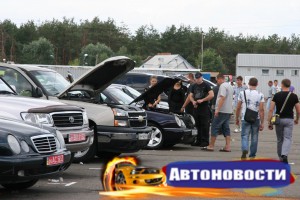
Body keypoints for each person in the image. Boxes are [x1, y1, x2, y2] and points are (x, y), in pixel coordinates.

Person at [268, 79, 300, 163]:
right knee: (287, 138)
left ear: (281, 85)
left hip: (279, 120)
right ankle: (284, 154)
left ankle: (280, 158)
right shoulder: (294, 96)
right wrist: (297, 119)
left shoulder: (276, 95)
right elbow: (298, 110)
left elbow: (271, 109)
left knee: (279, 139)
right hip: (289, 119)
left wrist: (269, 122)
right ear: (289, 85)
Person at [202, 74, 233, 152]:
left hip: (222, 110)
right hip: (228, 110)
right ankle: (228, 146)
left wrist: (217, 109)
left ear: (220, 79)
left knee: (214, 127)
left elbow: (222, 97)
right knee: (226, 128)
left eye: (217, 80)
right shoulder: (230, 86)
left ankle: (211, 145)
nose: (217, 82)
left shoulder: (222, 86)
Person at [236, 78, 265, 160]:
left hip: (245, 117)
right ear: (257, 84)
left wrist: (237, 118)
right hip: (256, 118)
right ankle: (252, 155)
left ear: (248, 84)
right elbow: (262, 110)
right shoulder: (260, 94)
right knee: (254, 137)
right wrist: (262, 123)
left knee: (244, 135)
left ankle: (245, 149)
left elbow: (238, 107)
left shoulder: (242, 93)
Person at [189, 72, 214, 147]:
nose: (198, 79)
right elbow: (190, 95)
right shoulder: (193, 86)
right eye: (196, 78)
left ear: (202, 77)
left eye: (199, 78)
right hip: (196, 107)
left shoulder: (206, 85)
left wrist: (203, 100)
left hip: (204, 107)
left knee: (205, 125)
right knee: (197, 125)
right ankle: (198, 140)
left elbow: (211, 95)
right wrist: (193, 101)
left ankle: (205, 141)